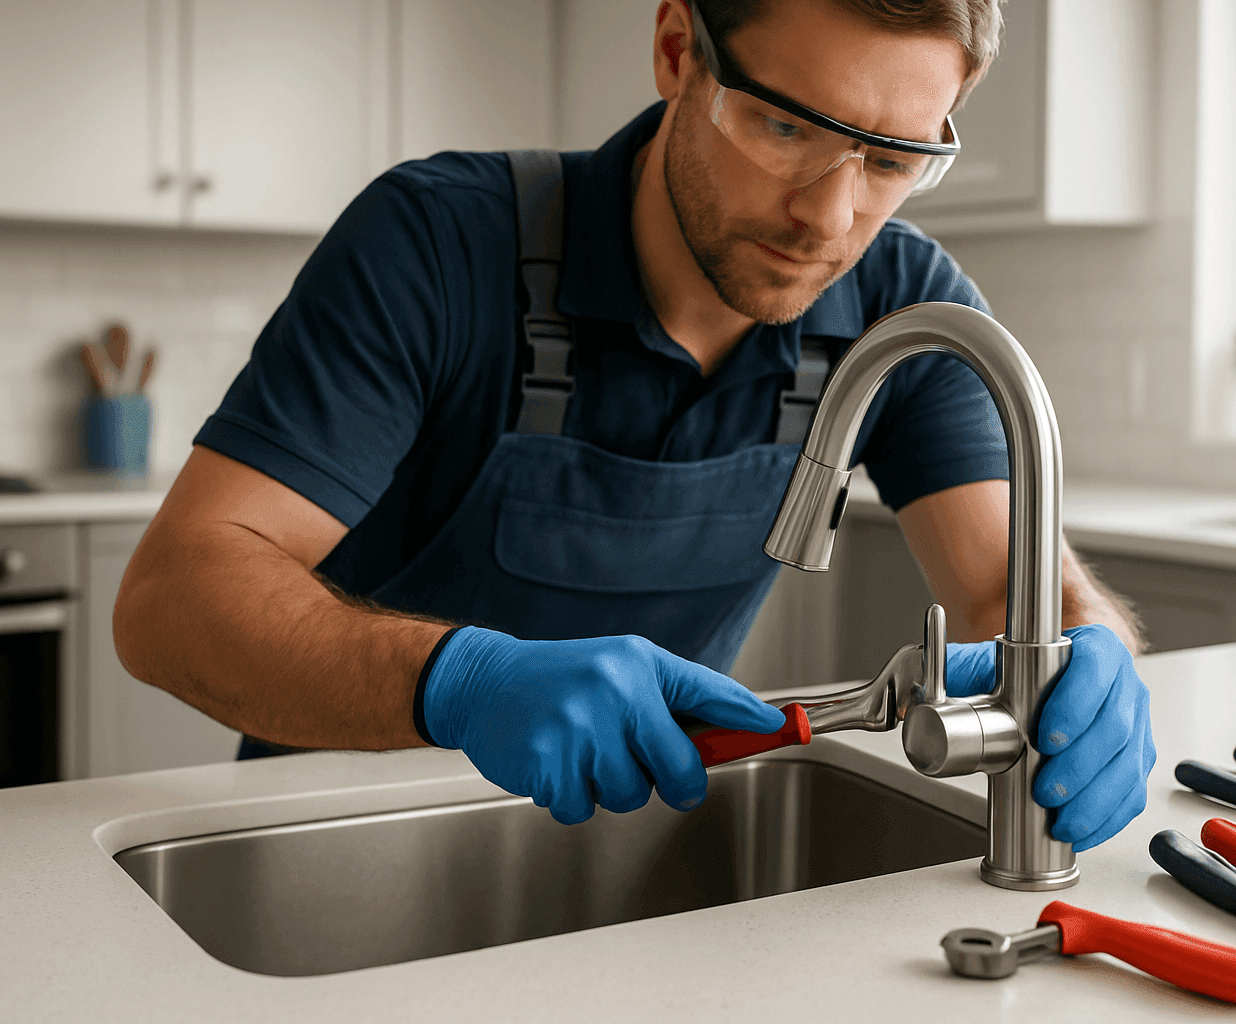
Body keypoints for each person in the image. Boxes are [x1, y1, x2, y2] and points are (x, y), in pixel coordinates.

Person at [114, 0, 1154, 850]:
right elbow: (171, 599)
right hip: (323, 840)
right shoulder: (439, 243)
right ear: (675, 52)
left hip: (637, 840)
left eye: (891, 161)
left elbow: (1004, 589)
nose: (830, 218)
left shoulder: (904, 305)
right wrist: (459, 682)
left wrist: (1088, 658)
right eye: (788, 128)